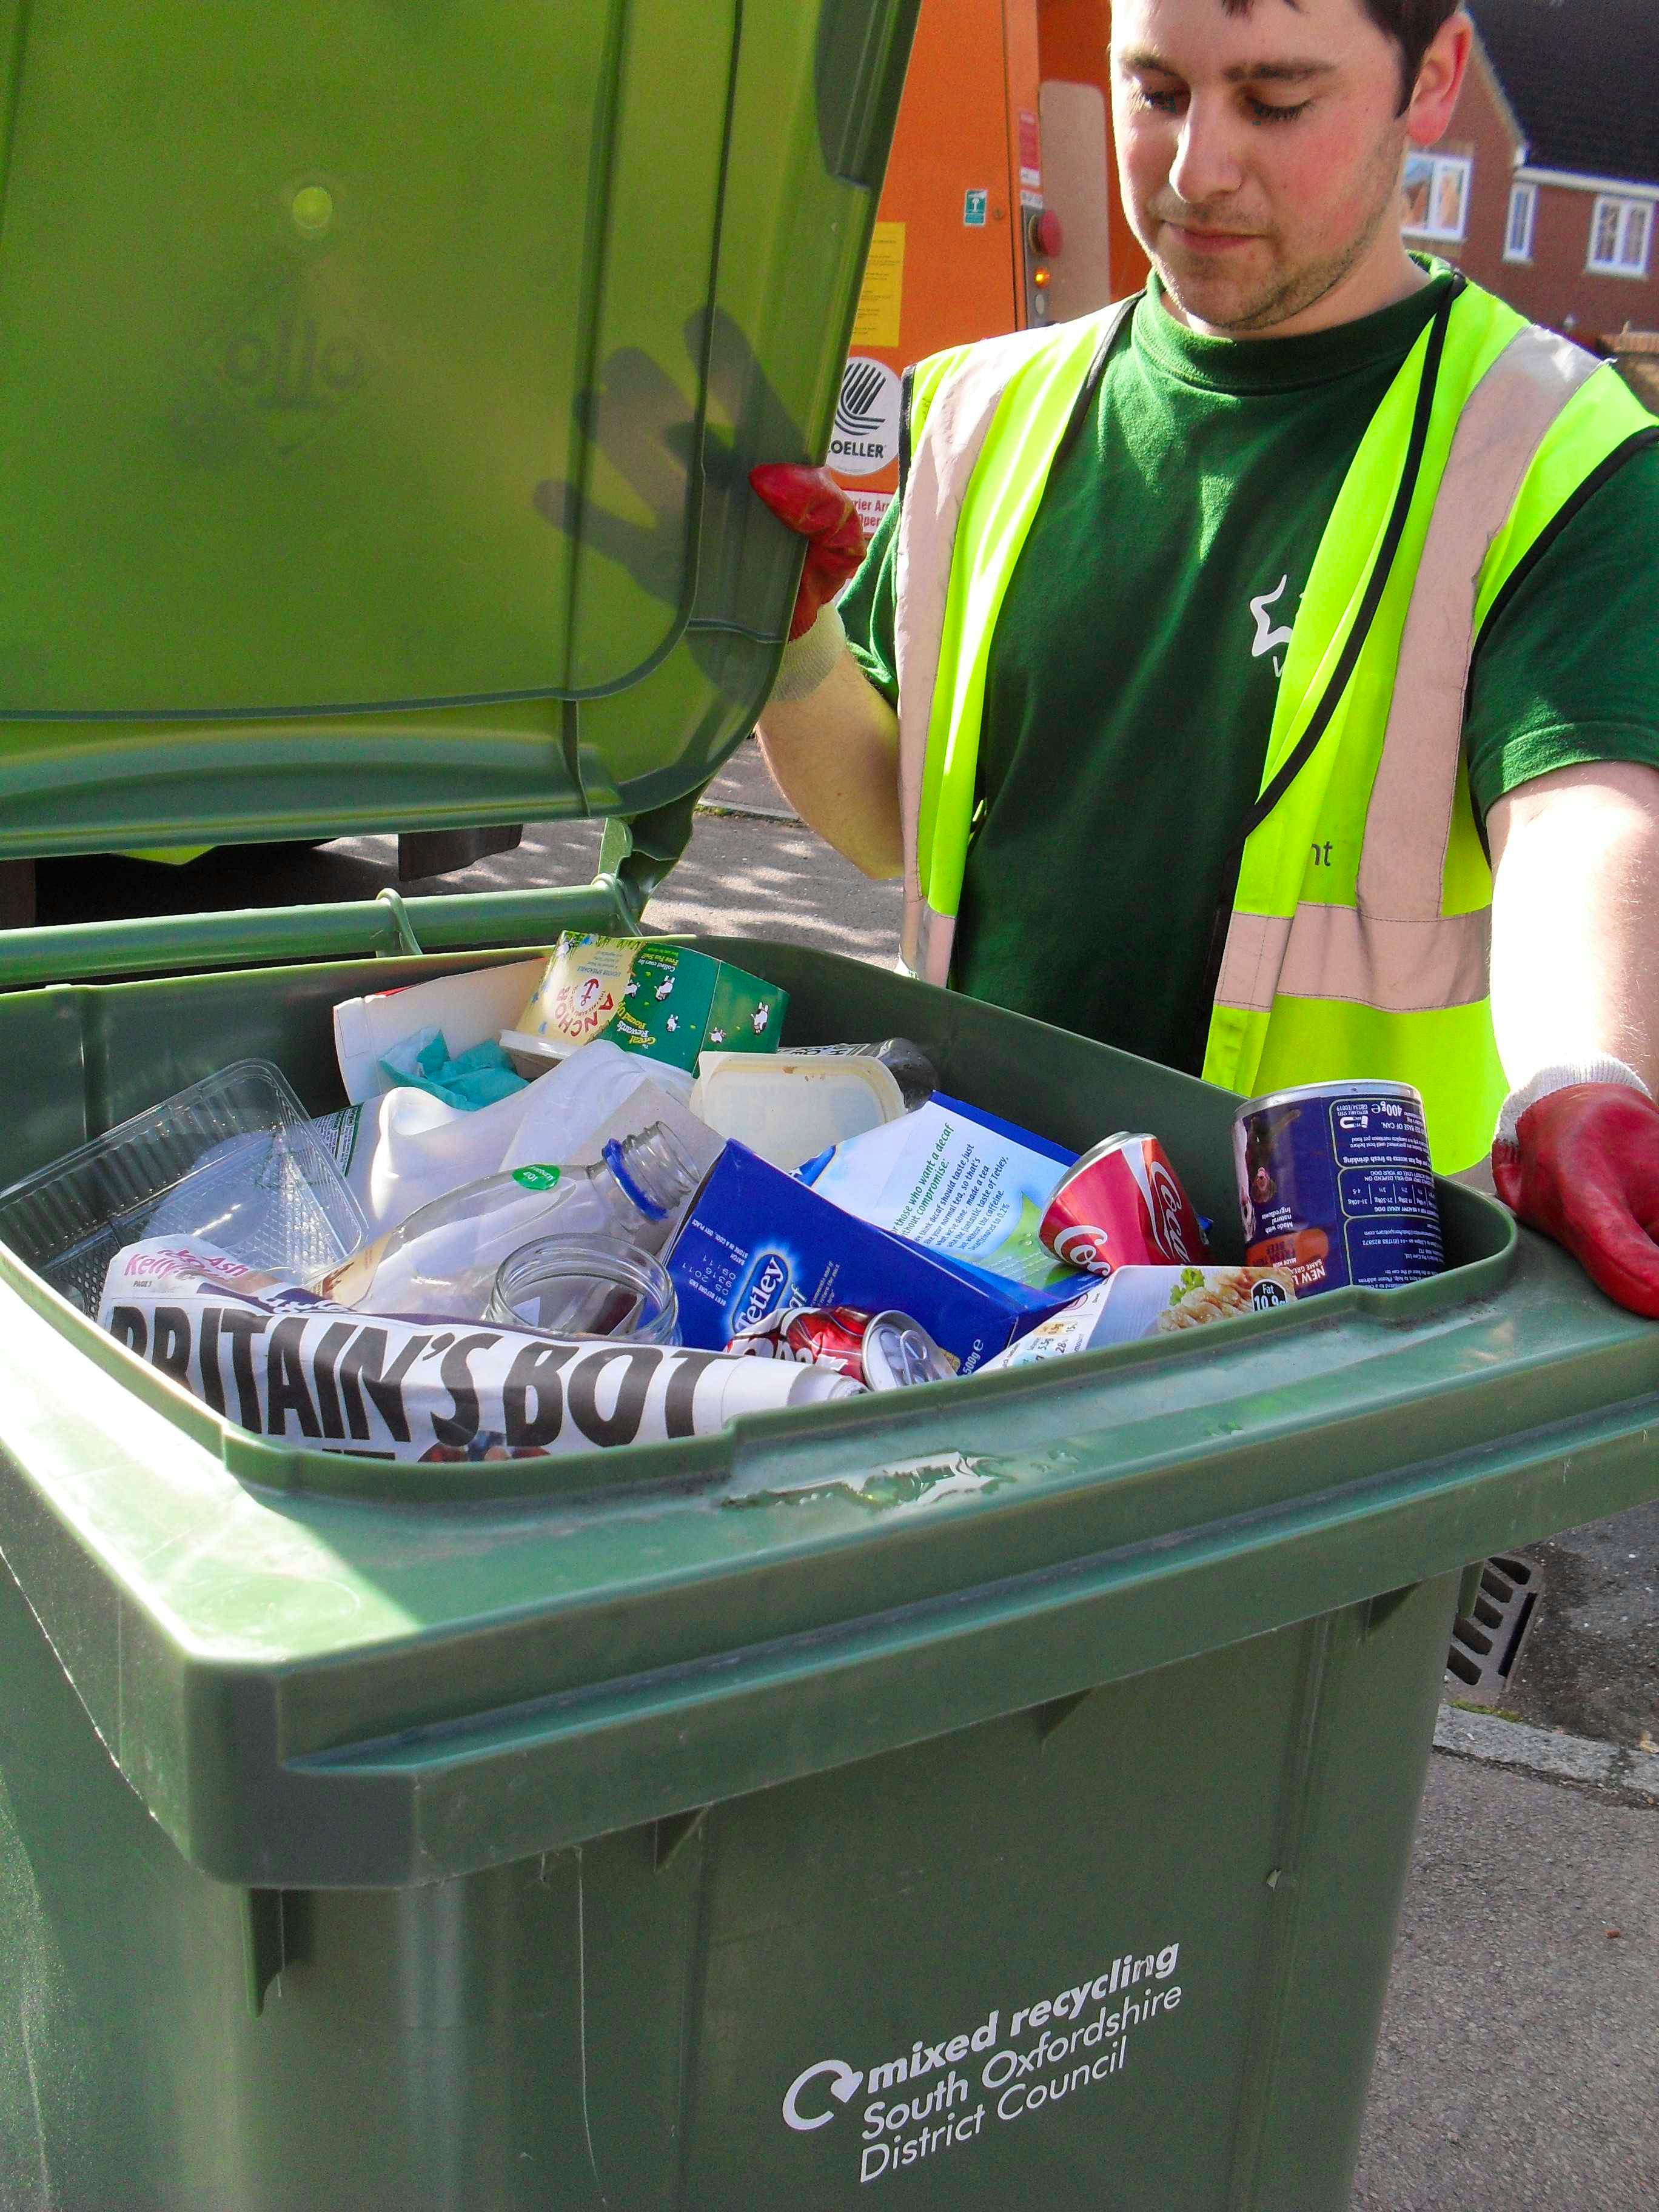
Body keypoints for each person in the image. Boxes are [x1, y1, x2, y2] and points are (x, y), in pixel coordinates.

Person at [749, 0, 1659, 1319]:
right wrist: (791, 646)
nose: (1195, 169)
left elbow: (1587, 821)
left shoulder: (1555, 451)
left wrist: (1592, 1076)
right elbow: (889, 821)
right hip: (977, 1252)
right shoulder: (978, 411)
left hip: (1335, 1321)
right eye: (1157, 89)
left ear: (1436, 76)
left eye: (1276, 102)